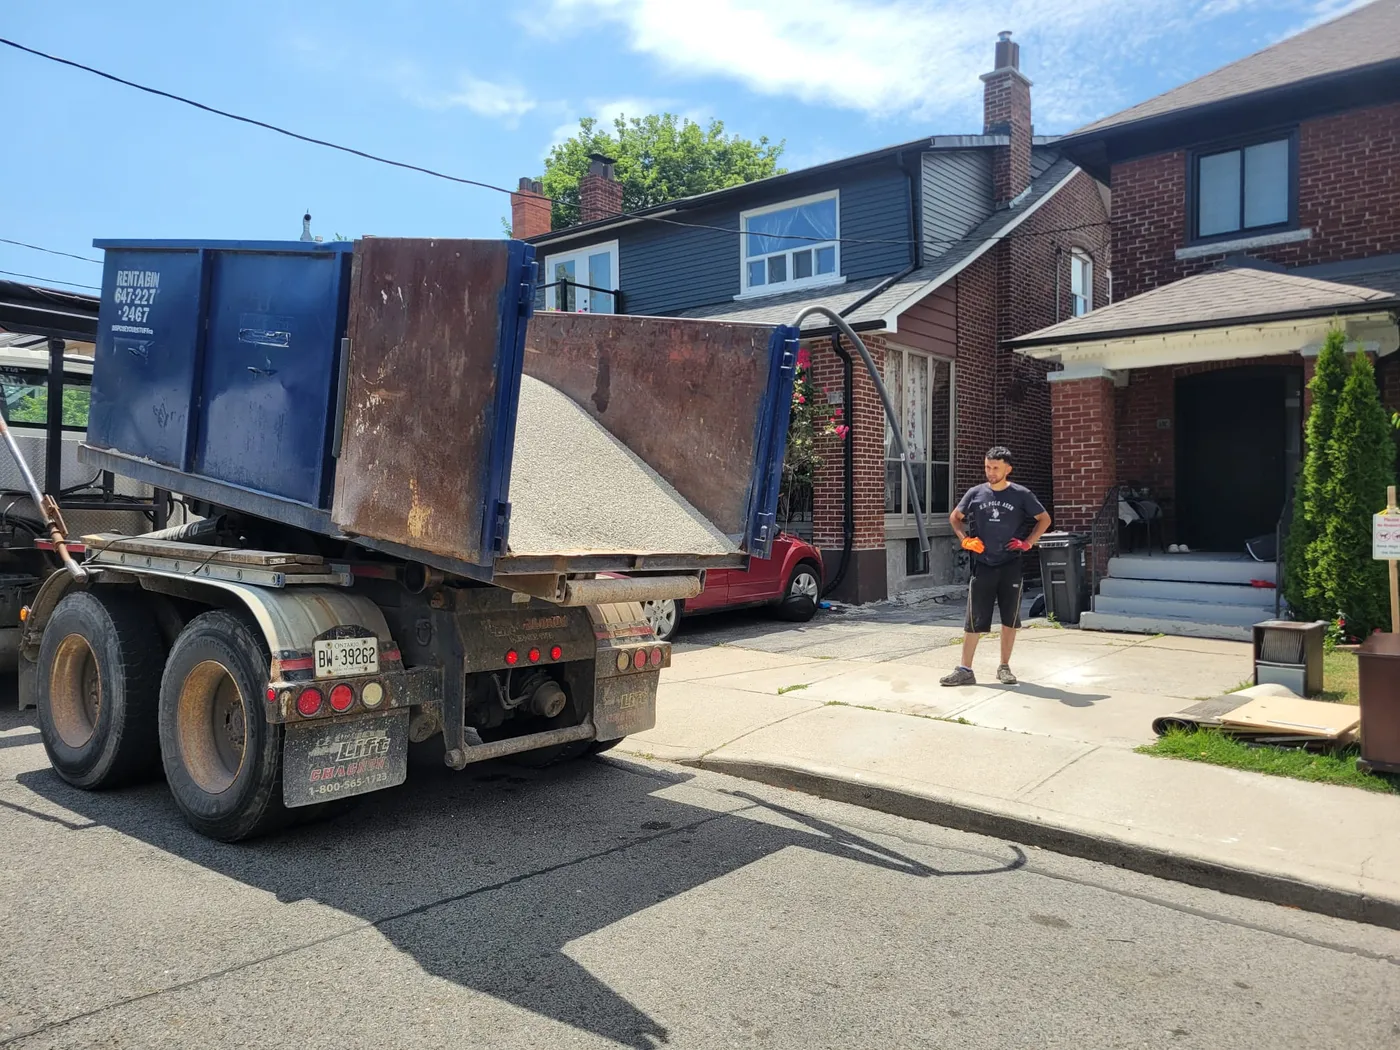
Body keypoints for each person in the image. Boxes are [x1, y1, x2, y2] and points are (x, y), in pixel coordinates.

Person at [941, 446, 1051, 687]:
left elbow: (1044, 519)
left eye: (995, 468)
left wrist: (1028, 543)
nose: (990, 472)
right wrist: (965, 540)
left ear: (1007, 469)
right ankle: (965, 670)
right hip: (983, 564)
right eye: (988, 467)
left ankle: (1004, 667)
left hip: (1011, 563)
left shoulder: (1021, 494)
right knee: (974, 618)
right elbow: (955, 517)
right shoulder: (975, 493)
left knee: (1010, 618)